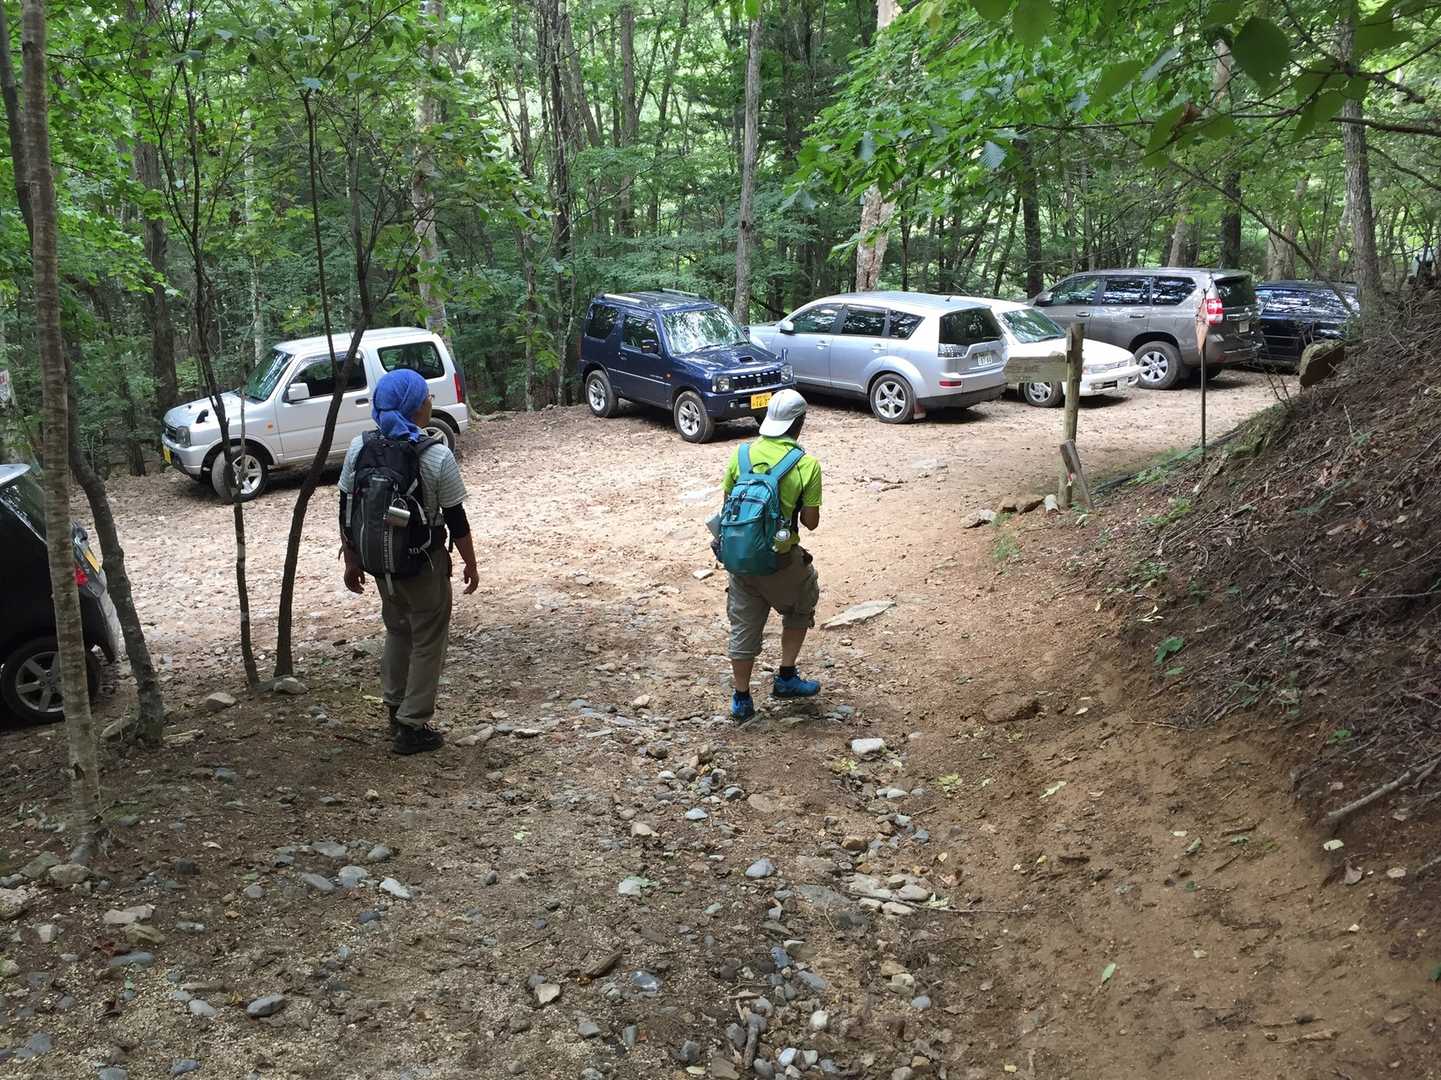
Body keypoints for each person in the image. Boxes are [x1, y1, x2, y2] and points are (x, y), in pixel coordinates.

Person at [338, 368, 478, 755]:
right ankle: (412, 725)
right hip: (423, 564)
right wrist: (470, 563)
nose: (430, 401)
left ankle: (394, 705)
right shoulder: (436, 455)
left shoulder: (359, 447)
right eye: (426, 396)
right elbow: (456, 519)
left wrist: (351, 559)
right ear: (416, 408)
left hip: (380, 564)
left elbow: (346, 508)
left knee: (398, 630)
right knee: (428, 638)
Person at [720, 388, 823, 722]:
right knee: (804, 598)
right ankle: (786, 676)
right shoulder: (806, 464)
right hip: (780, 561)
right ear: (799, 422)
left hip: (739, 558)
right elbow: (811, 522)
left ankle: (741, 698)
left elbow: (726, 507)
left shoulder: (741, 455)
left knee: (743, 625)